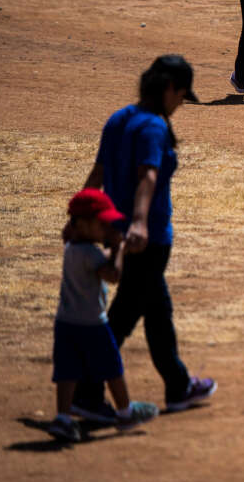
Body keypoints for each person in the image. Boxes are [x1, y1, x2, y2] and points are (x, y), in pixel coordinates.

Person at [70, 55, 216, 423]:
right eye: (182, 95)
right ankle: (87, 393)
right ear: (169, 89)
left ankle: (178, 385)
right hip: (147, 238)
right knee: (124, 315)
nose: (181, 103)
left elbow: (98, 173)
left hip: (121, 232)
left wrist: (80, 217)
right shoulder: (154, 127)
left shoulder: (119, 118)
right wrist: (139, 224)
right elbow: (148, 176)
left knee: (157, 310)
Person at [47, 189, 160, 442]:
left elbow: (97, 261)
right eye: (103, 223)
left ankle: (63, 418)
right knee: (112, 368)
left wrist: (113, 249)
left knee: (67, 371)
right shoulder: (90, 253)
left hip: (65, 323)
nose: (108, 227)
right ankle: (125, 412)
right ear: (84, 224)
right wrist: (119, 248)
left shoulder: (72, 247)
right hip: (93, 325)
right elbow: (113, 275)